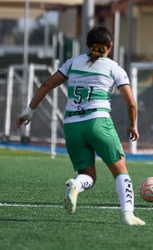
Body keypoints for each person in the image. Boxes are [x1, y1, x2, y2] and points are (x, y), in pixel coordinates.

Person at [16, 26, 145, 226]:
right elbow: (131, 103)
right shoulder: (114, 68)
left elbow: (46, 85)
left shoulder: (72, 63)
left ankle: (76, 184)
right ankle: (128, 214)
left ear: (87, 44)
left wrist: (28, 111)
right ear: (110, 46)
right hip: (98, 123)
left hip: (72, 126)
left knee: (87, 176)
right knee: (120, 170)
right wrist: (132, 125)